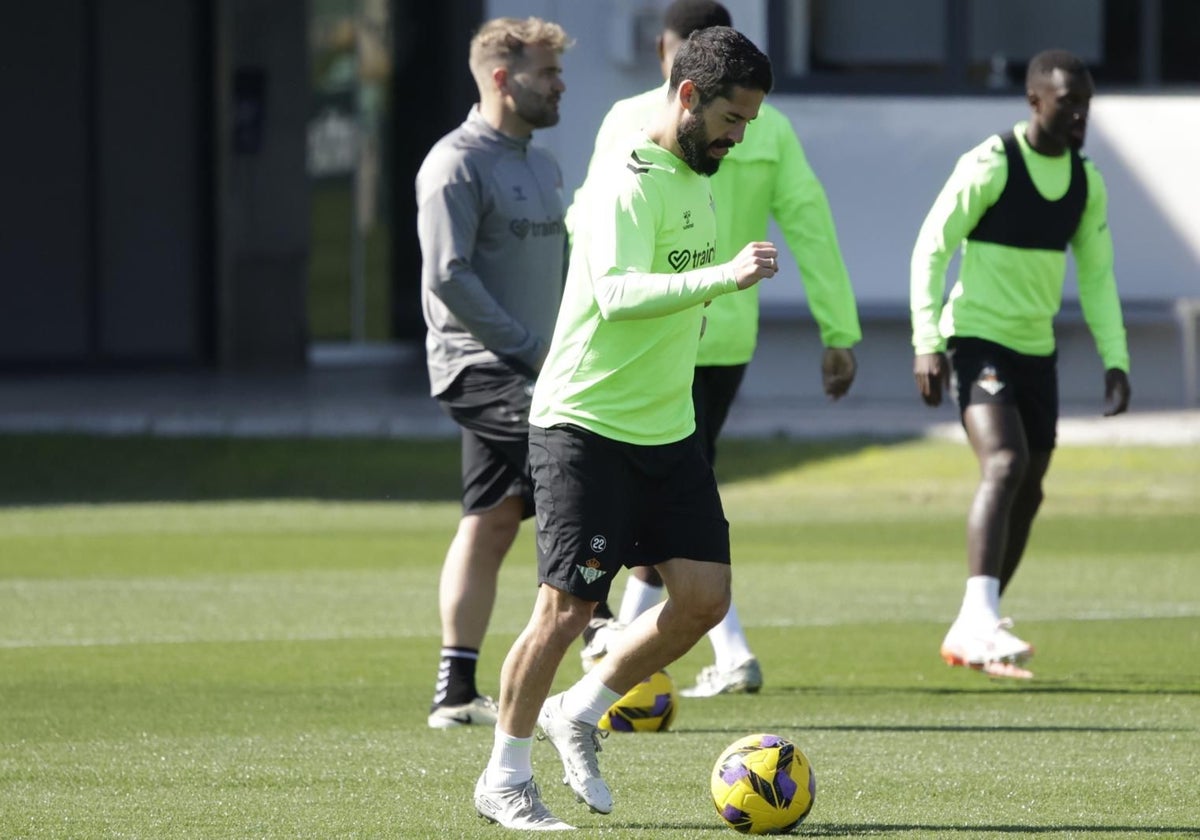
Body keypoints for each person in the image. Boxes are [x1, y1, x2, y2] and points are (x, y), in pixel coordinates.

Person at [473, 26, 776, 830]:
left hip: (665, 430)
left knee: (705, 600)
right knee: (565, 610)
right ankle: (503, 778)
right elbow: (615, 294)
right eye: (732, 119)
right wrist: (726, 274)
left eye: (748, 123)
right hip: (586, 424)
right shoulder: (627, 178)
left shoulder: (700, 176)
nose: (738, 136)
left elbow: (677, 305)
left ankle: (578, 709)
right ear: (688, 96)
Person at [571, 0, 862, 699]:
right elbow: (811, 224)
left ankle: (667, 644)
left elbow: (584, 224)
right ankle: (684, 643)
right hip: (723, 335)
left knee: (667, 494)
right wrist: (839, 329)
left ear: (675, 53)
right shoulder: (772, 125)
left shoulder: (630, 116)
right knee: (677, 490)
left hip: (647, 342)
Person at [910, 48, 1131, 680]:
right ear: (1035, 102)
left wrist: (1116, 357)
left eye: (1088, 101)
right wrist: (927, 340)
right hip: (978, 341)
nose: (1082, 112)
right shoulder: (991, 165)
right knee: (1003, 463)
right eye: (1070, 102)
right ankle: (979, 619)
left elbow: (1097, 277)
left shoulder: (1087, 182)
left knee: (1029, 487)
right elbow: (932, 247)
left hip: (1037, 353)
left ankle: (975, 624)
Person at [414, 16, 571, 729]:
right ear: (504, 80)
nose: (560, 84)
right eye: (548, 73)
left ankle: (454, 694)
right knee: (581, 467)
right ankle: (599, 642)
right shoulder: (454, 164)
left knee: (491, 522)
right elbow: (448, 276)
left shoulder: (544, 165)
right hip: (479, 366)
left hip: (536, 364)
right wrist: (529, 350)